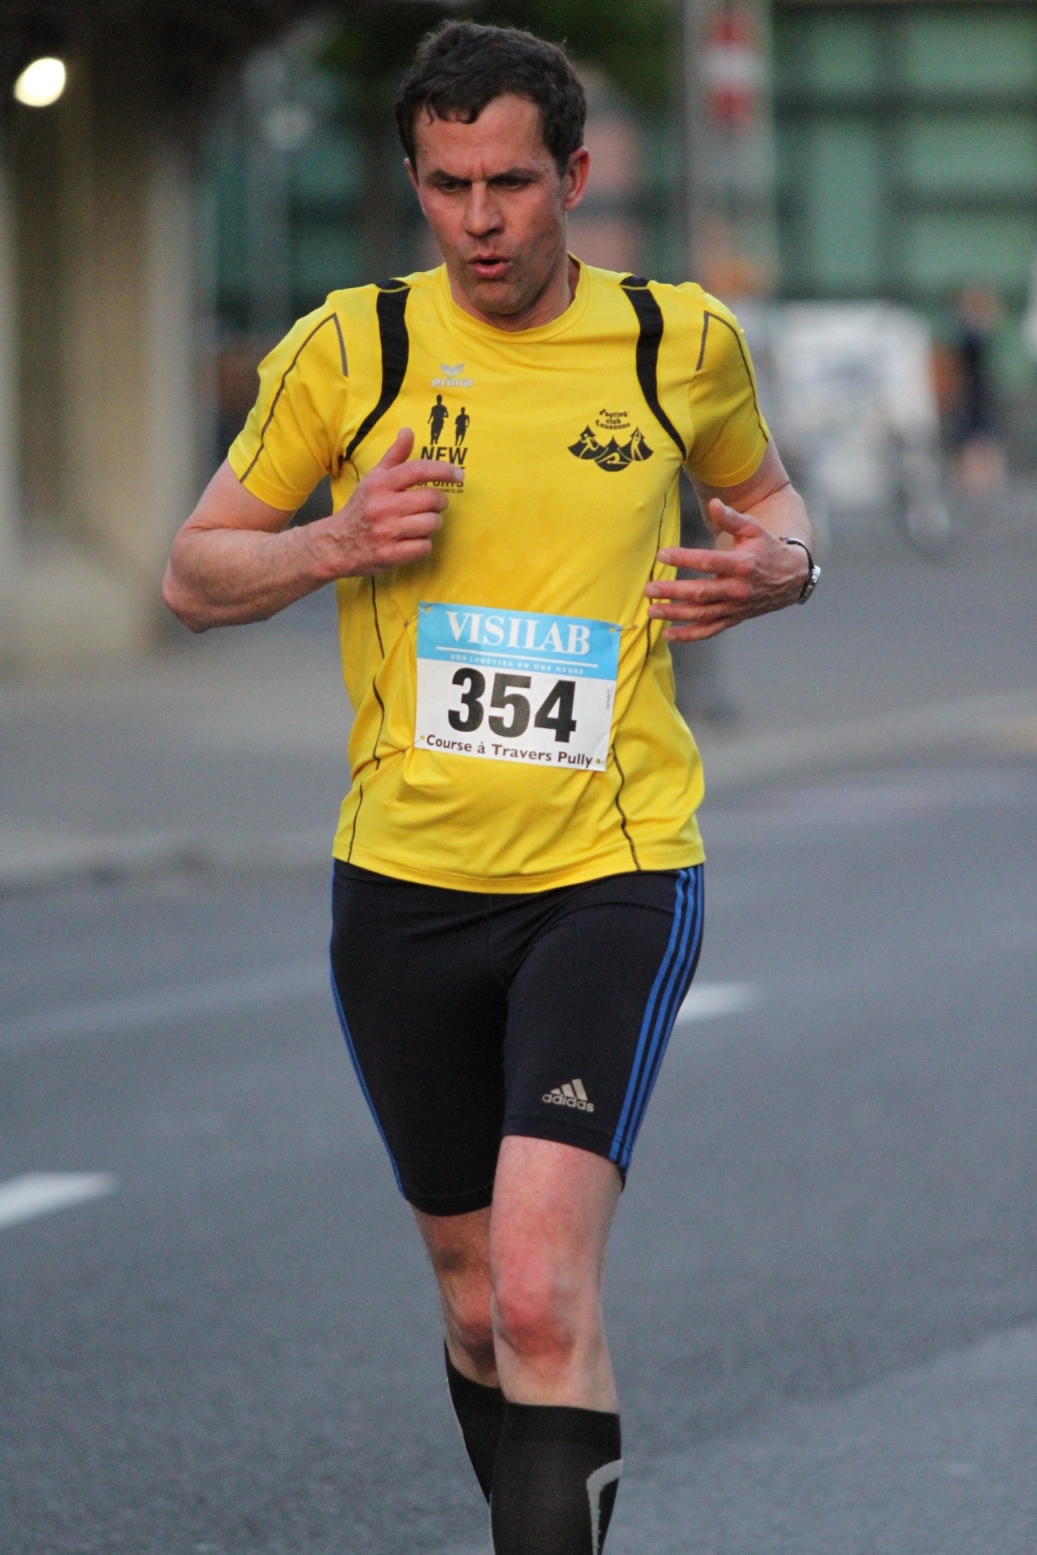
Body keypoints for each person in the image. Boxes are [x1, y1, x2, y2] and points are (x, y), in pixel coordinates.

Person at [163, 21, 817, 1553]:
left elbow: (768, 497)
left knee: (536, 1290)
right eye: (446, 184)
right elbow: (194, 575)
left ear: (572, 176)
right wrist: (332, 542)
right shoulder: (352, 349)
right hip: (404, 881)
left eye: (509, 184)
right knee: (472, 1306)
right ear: (414, 180)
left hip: (609, 865)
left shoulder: (673, 343)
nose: (478, 220)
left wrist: (782, 570)